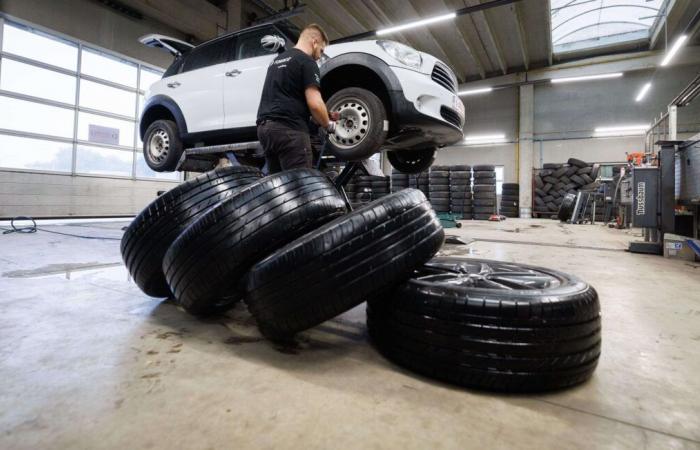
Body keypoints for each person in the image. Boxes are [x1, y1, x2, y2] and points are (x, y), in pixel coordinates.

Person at [256, 24, 339, 174]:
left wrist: (325, 113)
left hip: (266, 131)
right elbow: (314, 104)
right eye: (321, 50)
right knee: (300, 188)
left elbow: (288, 96)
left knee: (280, 189)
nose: (320, 55)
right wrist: (327, 124)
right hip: (290, 131)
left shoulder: (275, 61)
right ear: (314, 42)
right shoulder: (306, 61)